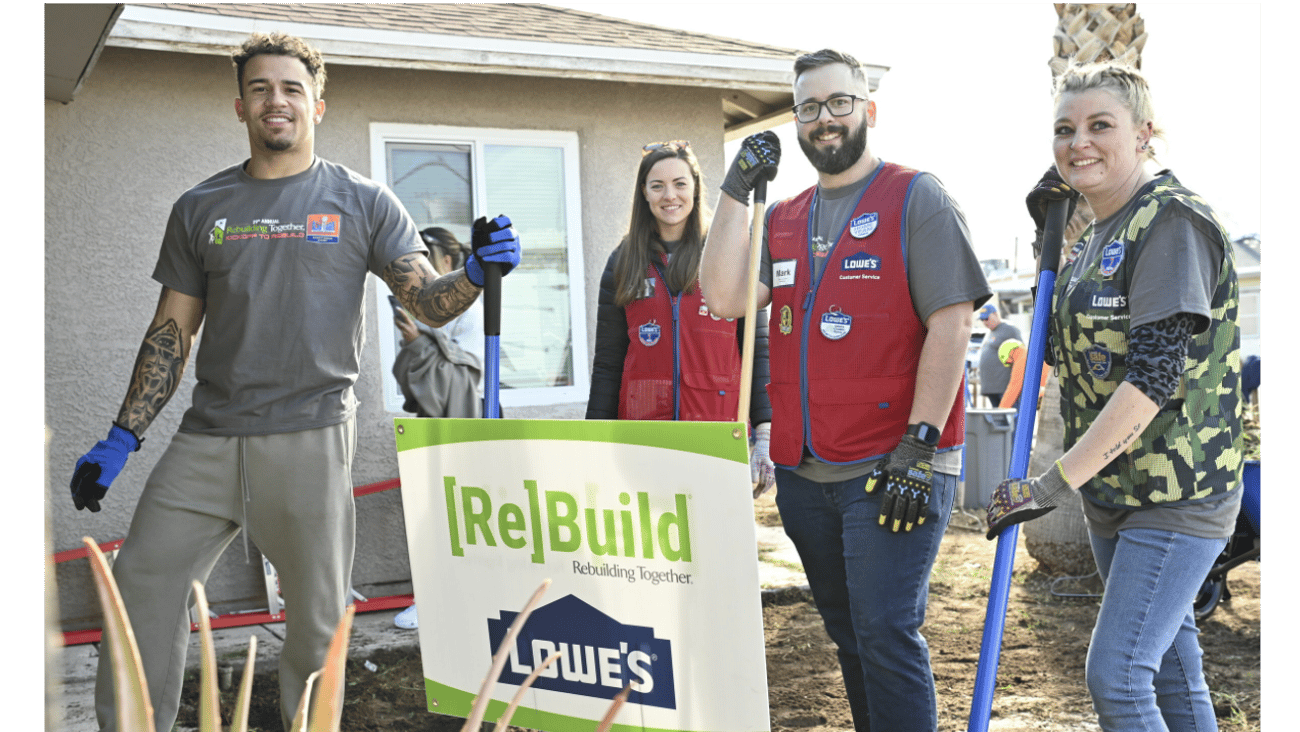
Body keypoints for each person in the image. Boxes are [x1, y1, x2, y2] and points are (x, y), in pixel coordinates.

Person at [68, 32, 522, 732]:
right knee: (140, 592)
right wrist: (122, 436)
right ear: (240, 106)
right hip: (208, 442)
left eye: (290, 88)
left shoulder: (362, 201)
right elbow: (172, 334)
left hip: (310, 440)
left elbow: (425, 303)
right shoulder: (201, 207)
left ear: (317, 103)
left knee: (316, 630)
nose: (275, 101)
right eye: (259, 89)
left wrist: (474, 273)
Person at [699, 49, 991, 732]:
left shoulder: (917, 196)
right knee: (850, 635)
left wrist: (919, 444)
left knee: (887, 632)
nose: (824, 119)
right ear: (796, 119)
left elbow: (952, 324)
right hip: (808, 473)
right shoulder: (786, 215)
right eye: (809, 107)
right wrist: (735, 189)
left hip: (894, 465)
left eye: (838, 103)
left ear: (868, 110)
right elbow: (720, 295)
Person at [987, 60, 1244, 732]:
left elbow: (1153, 379)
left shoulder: (1170, 224)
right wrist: (1054, 236)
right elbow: (1070, 350)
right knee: (1171, 670)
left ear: (1145, 134)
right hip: (1116, 493)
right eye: (1065, 129)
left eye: (1101, 125)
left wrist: (1050, 484)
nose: (1080, 142)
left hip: (1178, 495)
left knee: (1119, 676)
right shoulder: (1095, 231)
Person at [586, 140, 775, 494]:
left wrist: (764, 431)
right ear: (644, 193)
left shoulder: (728, 255)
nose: (669, 195)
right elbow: (609, 363)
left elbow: (757, 349)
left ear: (696, 188)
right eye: (657, 185)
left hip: (718, 436)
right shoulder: (622, 261)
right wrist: (594, 439)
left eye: (679, 184)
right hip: (643, 439)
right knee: (650, 546)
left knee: (715, 545)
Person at [390, 227, 485, 632]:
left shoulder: (473, 310)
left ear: (446, 262)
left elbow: (466, 375)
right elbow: (419, 381)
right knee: (428, 517)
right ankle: (428, 598)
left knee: (463, 520)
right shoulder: (422, 311)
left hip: (466, 428)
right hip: (430, 427)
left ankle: (465, 601)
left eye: (427, 257)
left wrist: (421, 344)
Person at [392, 227, 486, 420]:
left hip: (467, 415)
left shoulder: (469, 309)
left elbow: (463, 378)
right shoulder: (428, 307)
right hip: (435, 415)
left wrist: (418, 343)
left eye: (425, 266)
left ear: (447, 261)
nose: (418, 275)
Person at [976, 302, 1022, 407]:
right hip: (992, 389)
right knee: (998, 421)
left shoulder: (1009, 330)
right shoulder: (990, 332)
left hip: (1004, 389)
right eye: (982, 320)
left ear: (996, 314)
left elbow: (1021, 356)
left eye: (987, 318)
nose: (984, 322)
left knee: (1009, 420)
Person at [995, 338, 1048, 411]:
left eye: (1010, 364)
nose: (1012, 366)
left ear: (1008, 358)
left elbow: (1014, 388)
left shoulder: (1021, 358)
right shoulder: (1030, 353)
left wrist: (1000, 411)